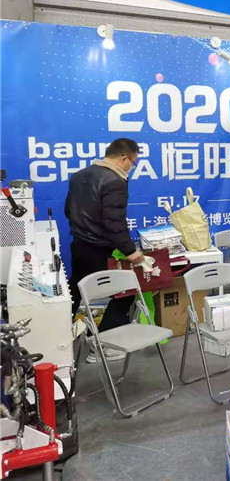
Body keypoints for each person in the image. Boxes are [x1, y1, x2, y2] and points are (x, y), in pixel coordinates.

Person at [65, 138, 145, 362]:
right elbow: (114, 222)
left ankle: (57, 342)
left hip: (79, 245)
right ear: (124, 158)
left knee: (75, 292)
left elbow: (68, 210)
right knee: (125, 292)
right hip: (99, 250)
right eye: (133, 163)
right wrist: (131, 252)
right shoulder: (115, 181)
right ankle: (102, 348)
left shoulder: (79, 175)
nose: (131, 168)